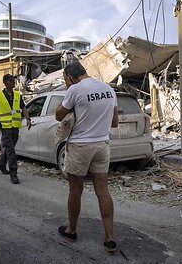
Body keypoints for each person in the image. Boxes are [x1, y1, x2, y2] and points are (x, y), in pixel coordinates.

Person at [55, 62, 119, 252]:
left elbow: (59, 115)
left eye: (65, 78)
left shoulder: (75, 89)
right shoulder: (108, 88)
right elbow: (114, 122)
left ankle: (71, 230)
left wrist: (69, 89)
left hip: (80, 146)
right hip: (102, 145)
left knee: (75, 190)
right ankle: (109, 238)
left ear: (69, 76)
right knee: (103, 190)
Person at [0, 74, 32, 184]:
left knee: (10, 148)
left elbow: (23, 107)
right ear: (5, 82)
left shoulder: (17, 95)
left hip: (15, 126)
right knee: (11, 150)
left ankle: (1, 165)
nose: (13, 82)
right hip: (5, 127)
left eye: (14, 81)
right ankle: (13, 173)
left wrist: (28, 118)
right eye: (10, 81)